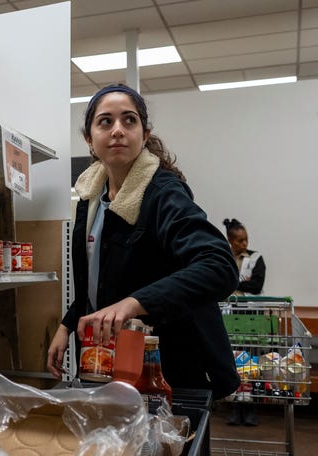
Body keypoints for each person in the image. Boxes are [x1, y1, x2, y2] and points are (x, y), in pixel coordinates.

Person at [47, 83, 240, 401]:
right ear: (89, 139)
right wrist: (67, 325)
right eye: (105, 121)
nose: (118, 130)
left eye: (129, 120)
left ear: (145, 135)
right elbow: (96, 281)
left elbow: (219, 266)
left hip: (168, 367)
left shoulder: (163, 192)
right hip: (113, 362)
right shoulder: (90, 199)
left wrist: (133, 304)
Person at [223, 218, 266, 426]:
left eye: (246, 239)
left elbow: (257, 285)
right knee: (233, 360)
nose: (244, 244)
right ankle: (235, 407)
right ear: (230, 241)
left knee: (251, 361)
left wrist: (236, 284)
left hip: (251, 316)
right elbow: (220, 282)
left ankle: (250, 409)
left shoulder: (256, 258)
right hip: (230, 316)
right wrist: (241, 284)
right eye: (239, 241)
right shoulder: (224, 257)